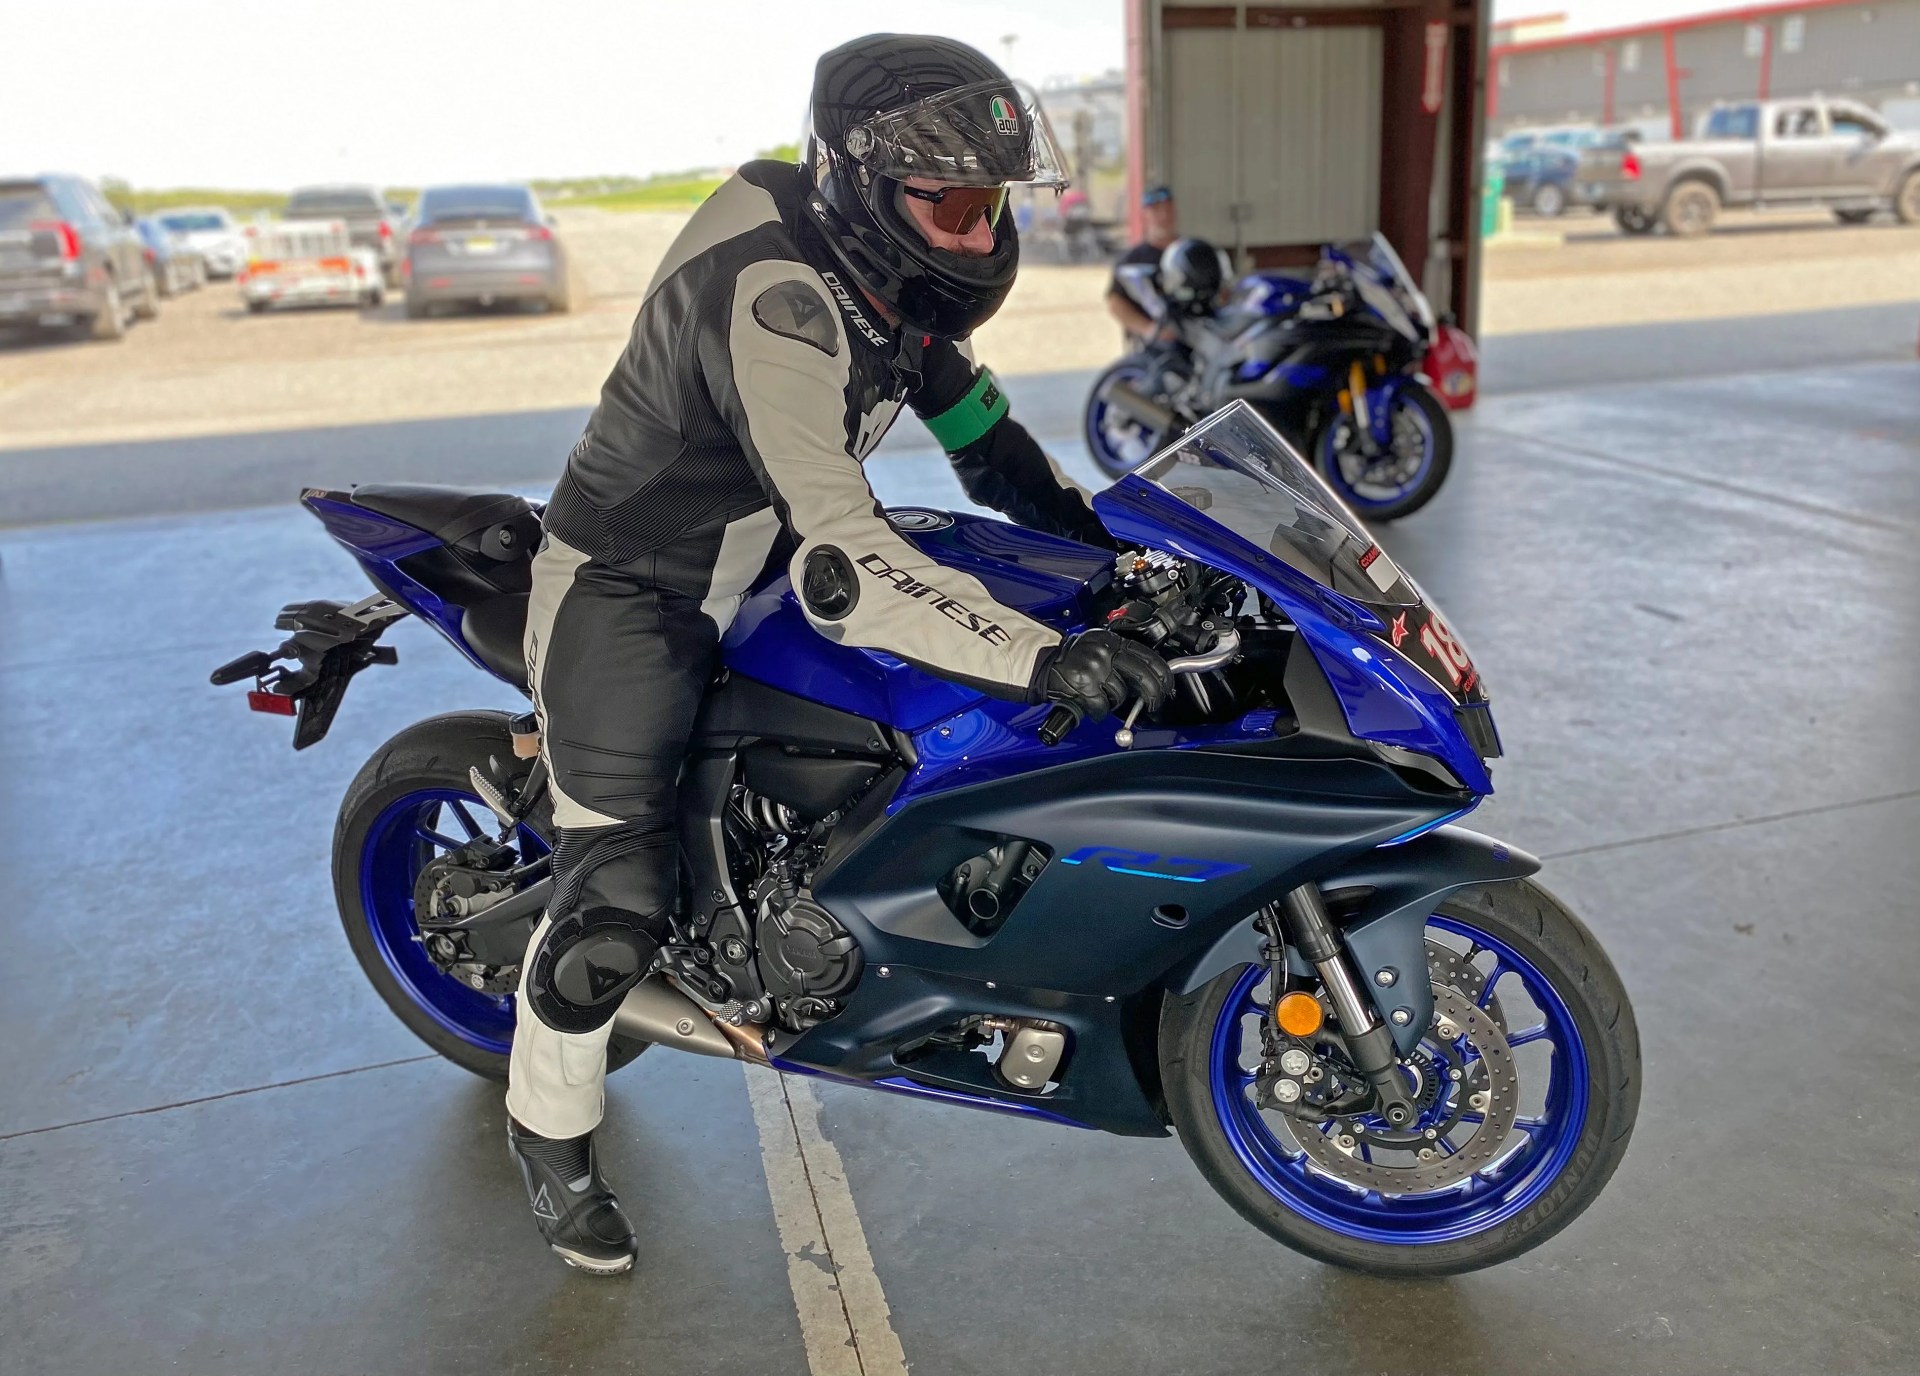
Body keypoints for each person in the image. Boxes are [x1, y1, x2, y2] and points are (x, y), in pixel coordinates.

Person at [504, 33, 1173, 1275]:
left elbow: (993, 449)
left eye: (993, 209)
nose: (979, 239)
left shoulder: (890, 291)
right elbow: (849, 563)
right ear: (868, 187)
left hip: (755, 557)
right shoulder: (784, 298)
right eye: (955, 208)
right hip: (633, 589)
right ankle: (549, 1135)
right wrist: (1040, 660)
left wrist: (1117, 562)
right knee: (616, 902)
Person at [1105, 184, 1179, 343]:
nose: (1164, 216)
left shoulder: (1192, 252)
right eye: (1156, 210)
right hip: (1148, 349)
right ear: (1145, 215)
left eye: (1168, 209)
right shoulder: (1131, 260)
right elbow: (1115, 303)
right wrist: (1149, 329)